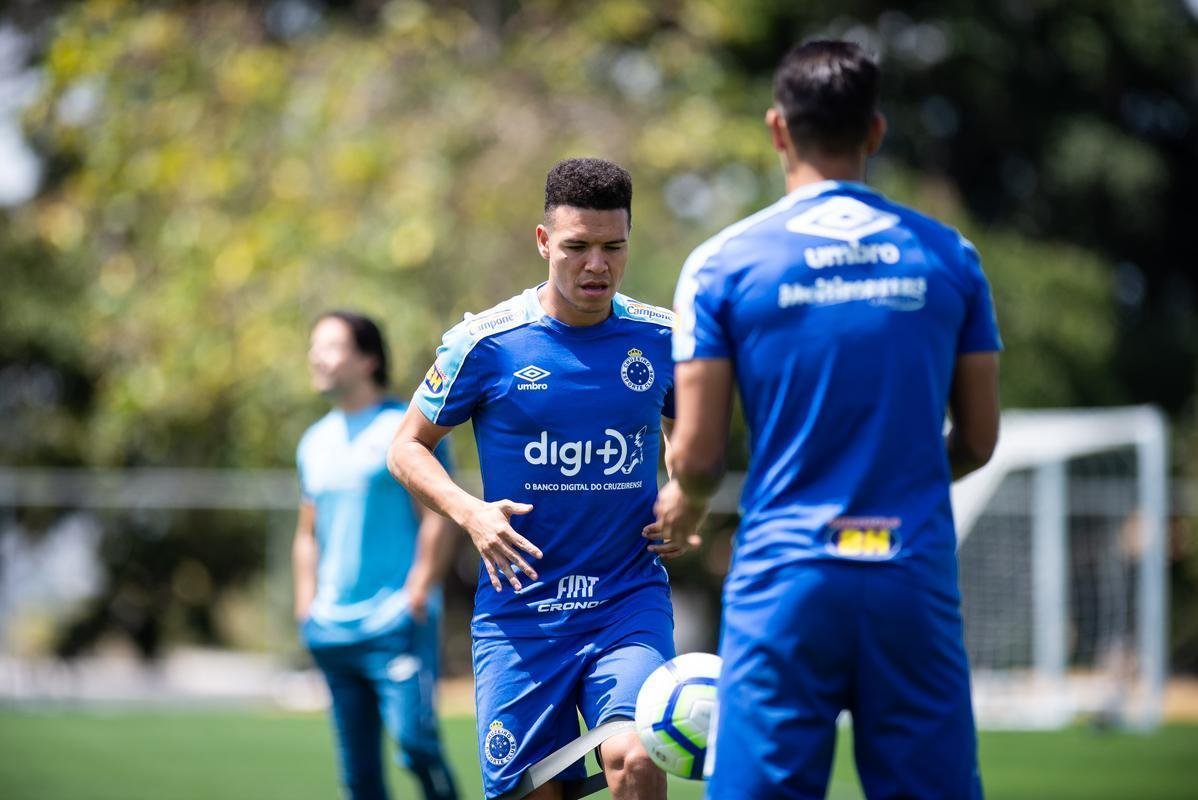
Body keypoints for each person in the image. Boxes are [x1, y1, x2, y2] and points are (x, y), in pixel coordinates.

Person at [656, 41, 1002, 799]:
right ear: (875, 130)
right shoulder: (950, 257)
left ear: (778, 128)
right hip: (910, 570)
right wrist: (907, 476)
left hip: (788, 577)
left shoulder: (722, 263)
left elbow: (702, 456)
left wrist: (682, 496)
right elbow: (979, 440)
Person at [387, 158, 700, 800]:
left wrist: (683, 492)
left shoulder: (662, 338)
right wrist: (471, 512)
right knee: (535, 791)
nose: (597, 266)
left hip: (627, 600)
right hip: (522, 614)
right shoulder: (486, 343)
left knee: (637, 755)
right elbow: (406, 447)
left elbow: (688, 430)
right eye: (577, 247)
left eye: (613, 247)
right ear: (543, 241)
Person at [295, 310, 460, 800]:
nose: (316, 357)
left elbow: (439, 515)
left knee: (416, 747)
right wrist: (307, 606)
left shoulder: (406, 431)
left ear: (368, 360)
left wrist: (418, 591)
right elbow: (307, 534)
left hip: (394, 623)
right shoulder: (314, 441)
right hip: (332, 630)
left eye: (331, 347)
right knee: (359, 776)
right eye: (314, 346)